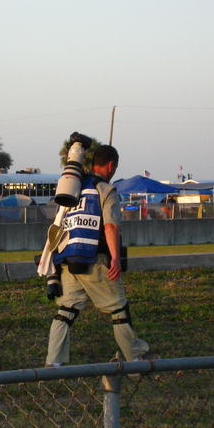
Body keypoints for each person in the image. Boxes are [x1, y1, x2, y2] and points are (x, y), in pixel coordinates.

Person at [44, 145, 157, 367]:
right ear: (111, 165)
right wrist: (115, 258)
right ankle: (135, 360)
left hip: (68, 260)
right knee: (119, 309)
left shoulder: (74, 189)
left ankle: (52, 364)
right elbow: (111, 227)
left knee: (65, 311)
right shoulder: (106, 189)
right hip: (95, 261)